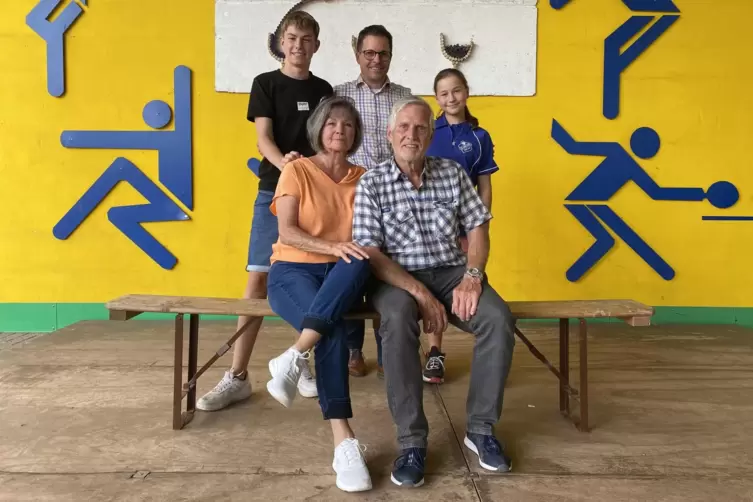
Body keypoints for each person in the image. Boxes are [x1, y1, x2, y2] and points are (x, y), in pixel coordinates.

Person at [352, 96, 516, 487]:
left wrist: (473, 275)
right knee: (396, 319)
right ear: (391, 134)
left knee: (497, 318)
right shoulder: (372, 182)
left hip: (451, 272)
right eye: (404, 127)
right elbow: (370, 252)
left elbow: (478, 227)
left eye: (421, 127)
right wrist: (420, 294)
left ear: (431, 134)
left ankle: (481, 430)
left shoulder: (453, 172)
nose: (412, 134)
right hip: (395, 277)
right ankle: (411, 442)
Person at [197, 11, 334, 412]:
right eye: (291, 38)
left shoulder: (324, 88)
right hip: (274, 191)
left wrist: (312, 171)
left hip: (313, 195)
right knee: (258, 281)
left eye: (306, 39)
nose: (298, 46)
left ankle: (301, 359)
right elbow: (264, 139)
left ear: (316, 46)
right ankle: (237, 376)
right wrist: (288, 166)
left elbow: (325, 143)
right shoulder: (265, 84)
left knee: (313, 279)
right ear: (280, 42)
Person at [265, 96, 373, 492]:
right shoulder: (297, 169)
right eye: (331, 124)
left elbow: (368, 237)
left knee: (360, 259)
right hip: (293, 270)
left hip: (342, 275)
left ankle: (294, 356)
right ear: (318, 129)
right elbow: (287, 231)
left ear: (355, 133)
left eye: (346, 125)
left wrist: (343, 252)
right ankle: (342, 439)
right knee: (333, 328)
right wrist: (333, 247)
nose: (339, 131)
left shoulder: (365, 177)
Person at [334, 24, 412, 379]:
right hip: (349, 195)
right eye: (369, 53)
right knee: (352, 271)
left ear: (391, 57)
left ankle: (387, 350)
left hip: (393, 199)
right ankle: (353, 350)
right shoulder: (339, 96)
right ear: (358, 56)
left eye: (382, 53)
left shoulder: (405, 97)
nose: (376, 59)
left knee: (388, 273)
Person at [421, 68, 500, 385]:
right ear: (436, 99)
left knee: (472, 283)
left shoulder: (480, 138)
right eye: (443, 93)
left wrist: (477, 226)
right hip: (431, 228)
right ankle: (435, 353)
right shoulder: (428, 132)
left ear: (466, 91)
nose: (450, 97)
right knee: (432, 289)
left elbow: (485, 186)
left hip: (466, 230)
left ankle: (491, 355)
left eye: (456, 90)